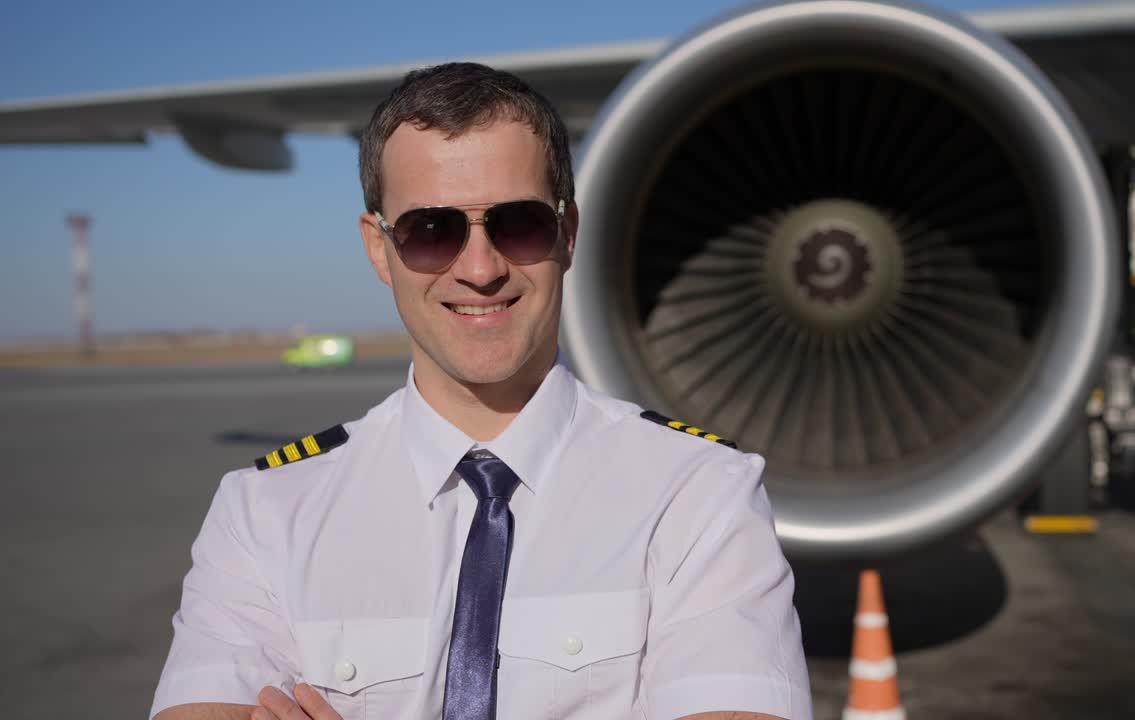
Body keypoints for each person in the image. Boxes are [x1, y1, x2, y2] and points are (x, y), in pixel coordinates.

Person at [150, 62, 812, 720]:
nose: (479, 268)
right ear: (379, 248)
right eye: (430, 231)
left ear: (568, 233)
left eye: (518, 223)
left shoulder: (697, 493)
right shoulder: (266, 513)